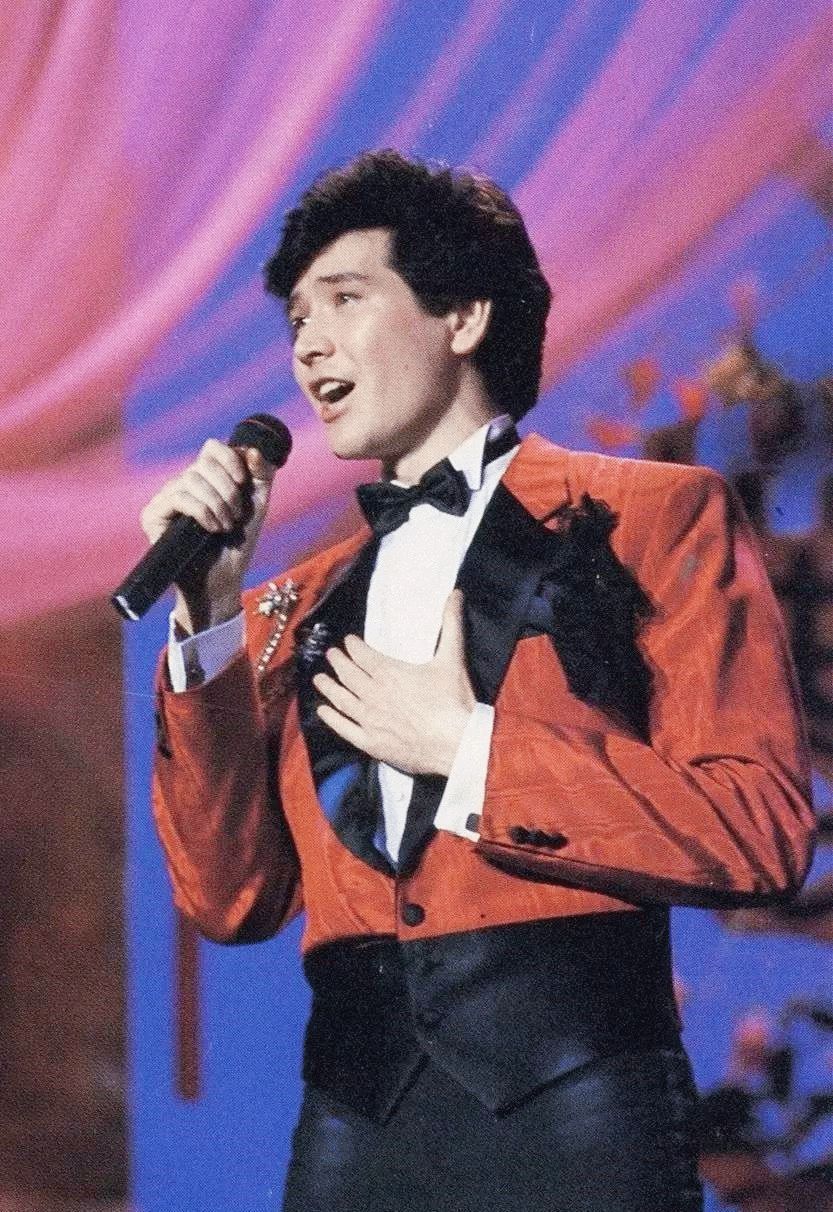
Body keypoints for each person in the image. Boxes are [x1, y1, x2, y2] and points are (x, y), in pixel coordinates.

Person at [143, 151, 816, 1212]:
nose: (307, 342)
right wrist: (209, 615)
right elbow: (229, 898)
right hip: (351, 1125)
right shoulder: (287, 610)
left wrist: (469, 752)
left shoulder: (653, 516)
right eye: (296, 318)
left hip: (578, 1111)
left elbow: (756, 828)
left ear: (460, 316)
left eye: (345, 300)